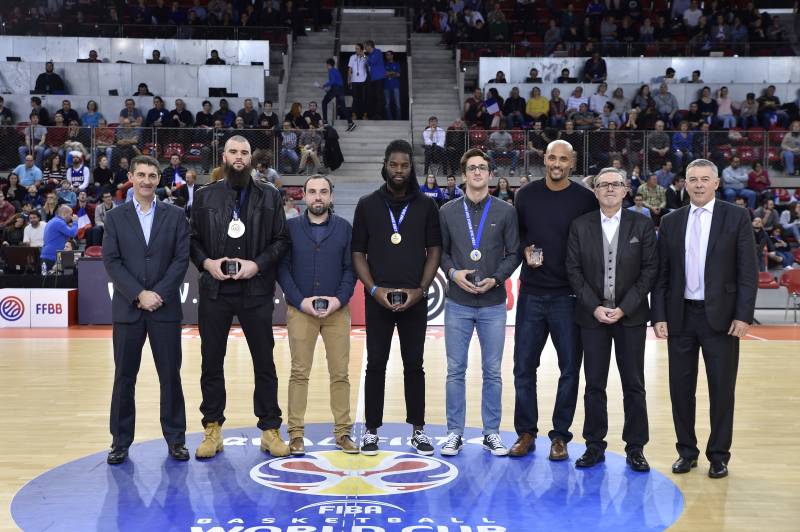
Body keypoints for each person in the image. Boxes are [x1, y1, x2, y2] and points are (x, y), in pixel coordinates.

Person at [652, 158, 758, 479]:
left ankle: (719, 455)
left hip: (722, 319)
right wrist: (659, 314)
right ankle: (686, 451)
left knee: (721, 390)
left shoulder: (736, 216)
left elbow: (748, 273)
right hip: (680, 316)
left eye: (704, 179)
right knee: (680, 389)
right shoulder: (671, 221)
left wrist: (743, 315)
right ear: (684, 184)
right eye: (692, 179)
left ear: (716, 183)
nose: (698, 184)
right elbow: (662, 274)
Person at [190, 135, 291, 460]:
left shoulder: (270, 195)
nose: (238, 157)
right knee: (211, 362)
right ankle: (212, 428)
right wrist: (207, 263)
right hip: (215, 290)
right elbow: (191, 240)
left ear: (251, 159)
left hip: (256, 290)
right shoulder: (205, 195)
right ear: (224, 156)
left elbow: (281, 240)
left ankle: (270, 429)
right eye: (233, 151)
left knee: (264, 362)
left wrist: (256, 264)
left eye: (244, 152)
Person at [351, 139, 442, 456]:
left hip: (414, 301)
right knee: (375, 364)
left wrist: (421, 290)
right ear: (385, 166)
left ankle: (418, 430)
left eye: (405, 165)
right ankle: (371, 431)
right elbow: (357, 253)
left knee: (414, 365)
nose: (399, 170)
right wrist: (374, 290)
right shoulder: (367, 204)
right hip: (378, 300)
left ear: (411, 167)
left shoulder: (426, 206)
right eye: (394, 164)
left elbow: (435, 252)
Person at [510, 139, 598, 459]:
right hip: (532, 293)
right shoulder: (526, 195)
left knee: (570, 370)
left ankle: (560, 436)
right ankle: (526, 432)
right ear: (544, 160)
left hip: (568, 297)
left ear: (572, 163)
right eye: (551, 158)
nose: (557, 163)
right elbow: (516, 236)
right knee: (523, 369)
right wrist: (524, 251)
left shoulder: (585, 199)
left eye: (563, 159)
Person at [565, 167, 657, 472]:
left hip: (629, 318)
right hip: (592, 318)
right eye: (603, 185)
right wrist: (594, 307)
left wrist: (624, 308)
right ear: (595, 191)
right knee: (594, 385)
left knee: (634, 385)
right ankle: (594, 445)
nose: (609, 189)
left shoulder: (641, 225)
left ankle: (635, 447)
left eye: (616, 184)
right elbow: (574, 271)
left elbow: (649, 271)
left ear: (626, 189)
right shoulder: (580, 225)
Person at [101, 155, 191, 465]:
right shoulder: (115, 217)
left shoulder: (177, 215)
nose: (147, 181)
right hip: (128, 310)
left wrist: (158, 295)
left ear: (158, 180)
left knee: (171, 377)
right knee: (124, 378)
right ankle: (120, 441)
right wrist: (139, 294)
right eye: (141, 175)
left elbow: (181, 260)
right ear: (131, 177)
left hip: (164, 310)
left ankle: (176, 439)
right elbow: (111, 261)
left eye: (152, 175)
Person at [438, 148, 520, 457]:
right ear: (463, 175)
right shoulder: (446, 211)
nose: (476, 172)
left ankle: (491, 433)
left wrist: (497, 279)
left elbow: (514, 253)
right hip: (457, 302)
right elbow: (440, 252)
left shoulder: (506, 211)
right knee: (455, 370)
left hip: (493, 303)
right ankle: (454, 433)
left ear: (490, 174)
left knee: (493, 371)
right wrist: (453, 272)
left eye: (482, 168)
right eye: (471, 168)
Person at [277, 175, 358, 455]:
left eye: (323, 192)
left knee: (340, 374)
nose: (318, 197)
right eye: (312, 192)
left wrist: (339, 299)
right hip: (301, 311)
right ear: (304, 196)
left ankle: (343, 433)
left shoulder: (345, 229)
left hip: (337, 311)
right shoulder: (290, 228)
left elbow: (351, 269)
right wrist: (300, 301)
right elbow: (283, 269)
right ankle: (296, 434)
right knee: (299, 373)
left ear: (331, 196)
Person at [40, 204, 78, 271]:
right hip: (52, 257)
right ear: (64, 214)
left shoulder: (52, 221)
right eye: (70, 214)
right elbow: (73, 233)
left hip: (46, 255)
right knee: (53, 280)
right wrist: (75, 222)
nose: (71, 217)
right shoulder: (59, 222)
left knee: (45, 280)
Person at [322, 58, 355, 132]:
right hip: (340, 89)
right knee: (343, 107)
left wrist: (324, 85)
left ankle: (325, 122)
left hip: (336, 89)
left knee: (324, 102)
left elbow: (332, 81)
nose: (326, 66)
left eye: (326, 65)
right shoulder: (336, 70)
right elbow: (336, 81)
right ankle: (351, 122)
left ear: (328, 64)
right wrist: (329, 88)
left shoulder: (331, 71)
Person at [365, 40, 386, 120]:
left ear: (370, 46)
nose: (365, 48)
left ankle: (379, 114)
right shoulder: (370, 55)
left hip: (379, 78)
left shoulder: (378, 52)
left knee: (379, 96)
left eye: (366, 47)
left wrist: (364, 56)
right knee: (373, 96)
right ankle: (373, 114)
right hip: (373, 78)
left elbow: (372, 61)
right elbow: (369, 63)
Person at [347, 44, 368, 121]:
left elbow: (369, 63)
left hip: (363, 81)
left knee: (363, 99)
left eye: (358, 49)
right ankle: (354, 115)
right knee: (355, 99)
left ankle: (364, 115)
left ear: (362, 49)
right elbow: (349, 70)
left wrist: (363, 55)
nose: (356, 50)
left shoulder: (365, 57)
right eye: (355, 49)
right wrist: (349, 81)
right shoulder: (352, 57)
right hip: (354, 81)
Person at [384, 51, 402, 120]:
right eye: (386, 55)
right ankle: (389, 120)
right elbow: (384, 74)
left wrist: (389, 73)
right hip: (386, 87)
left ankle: (398, 120)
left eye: (388, 55)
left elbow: (398, 74)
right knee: (387, 105)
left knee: (398, 105)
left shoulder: (396, 64)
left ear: (392, 56)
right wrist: (393, 73)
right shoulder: (384, 64)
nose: (387, 56)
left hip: (395, 86)